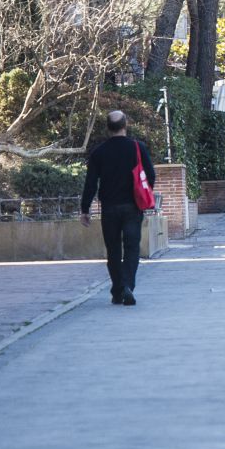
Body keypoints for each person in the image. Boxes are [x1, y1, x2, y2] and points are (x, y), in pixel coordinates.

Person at [81, 110, 157, 305]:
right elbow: (150, 175)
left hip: (109, 208)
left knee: (113, 249)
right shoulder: (137, 148)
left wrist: (85, 209)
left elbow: (90, 183)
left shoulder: (99, 152)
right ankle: (127, 286)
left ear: (108, 127)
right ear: (126, 125)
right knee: (132, 248)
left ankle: (117, 289)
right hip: (133, 206)